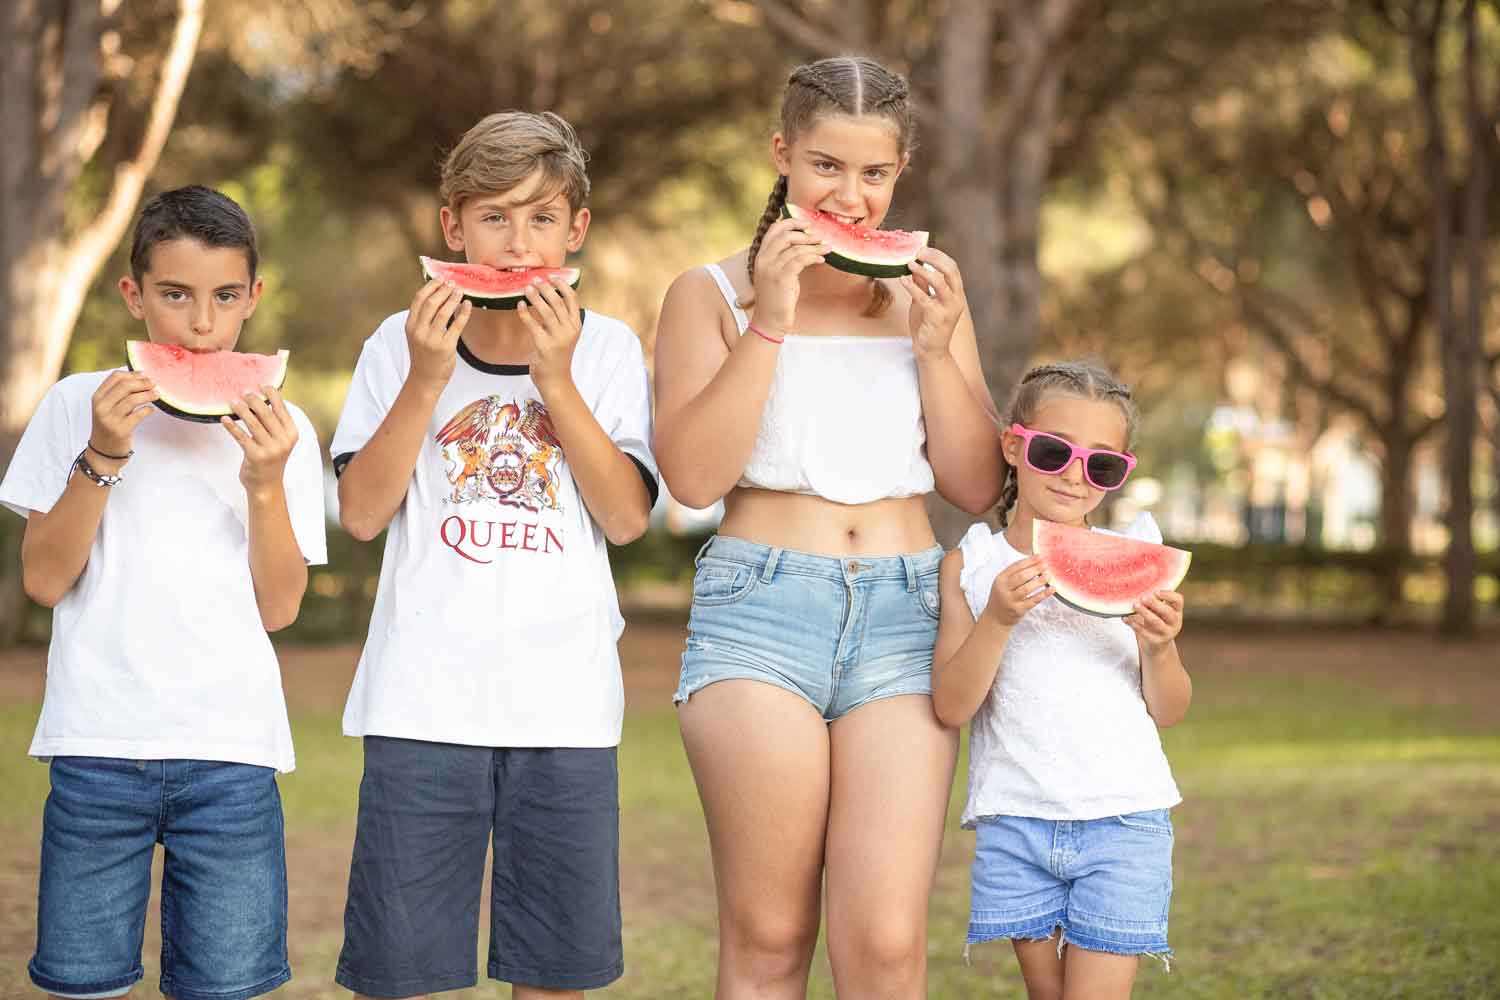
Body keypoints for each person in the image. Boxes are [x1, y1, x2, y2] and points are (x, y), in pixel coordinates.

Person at [652, 56, 1005, 998]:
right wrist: (770, 321)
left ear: (901, 174)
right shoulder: (706, 294)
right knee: (769, 935)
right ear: (782, 153)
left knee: (887, 946)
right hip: (759, 609)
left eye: (875, 174)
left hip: (904, 615)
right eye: (825, 167)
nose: (850, 196)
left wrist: (937, 353)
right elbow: (692, 476)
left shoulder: (930, 292)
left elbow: (974, 485)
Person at [328, 110, 657, 1000]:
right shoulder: (393, 349)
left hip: (566, 711)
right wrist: (428, 377)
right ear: (452, 225)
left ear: (576, 229)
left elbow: (627, 518)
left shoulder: (613, 350)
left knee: (556, 975)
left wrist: (557, 375)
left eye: (541, 219)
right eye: (494, 218)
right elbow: (360, 515)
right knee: (399, 972)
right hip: (422, 704)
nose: (516, 247)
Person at [0, 185, 327, 1000]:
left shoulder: (282, 431)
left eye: (224, 297)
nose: (202, 324)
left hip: (233, 754)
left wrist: (264, 483)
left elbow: (280, 607)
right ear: (134, 294)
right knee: (83, 983)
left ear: (254, 296)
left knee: (226, 986)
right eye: (175, 295)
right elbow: (43, 580)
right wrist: (104, 453)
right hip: (96, 745)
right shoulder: (79, 404)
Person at [932, 361, 1191, 1000]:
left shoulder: (1135, 554)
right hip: (1016, 820)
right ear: (1014, 446)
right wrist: (996, 618)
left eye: (1102, 464)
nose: (1076, 475)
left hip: (1124, 818)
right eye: (1054, 451)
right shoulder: (971, 564)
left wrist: (1159, 647)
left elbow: (1173, 709)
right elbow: (951, 705)